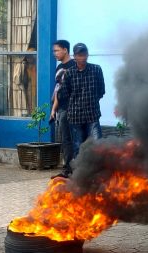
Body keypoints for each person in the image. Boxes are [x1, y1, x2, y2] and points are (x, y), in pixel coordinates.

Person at [59, 42, 105, 175]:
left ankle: (99, 173)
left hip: (92, 115)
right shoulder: (69, 74)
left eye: (84, 54)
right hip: (75, 116)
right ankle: (80, 175)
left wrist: (91, 101)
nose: (83, 57)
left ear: (87, 54)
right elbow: (64, 94)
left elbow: (101, 91)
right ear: (74, 56)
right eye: (79, 54)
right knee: (78, 147)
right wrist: (73, 104)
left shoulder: (96, 70)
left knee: (98, 145)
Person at [50, 40, 76, 178]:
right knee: (65, 140)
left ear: (65, 50)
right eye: (54, 51)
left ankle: (77, 169)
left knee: (76, 139)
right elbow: (57, 90)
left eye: (56, 50)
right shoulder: (59, 67)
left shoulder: (74, 66)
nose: (54, 53)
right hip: (62, 109)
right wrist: (54, 109)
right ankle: (67, 169)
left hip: (75, 109)